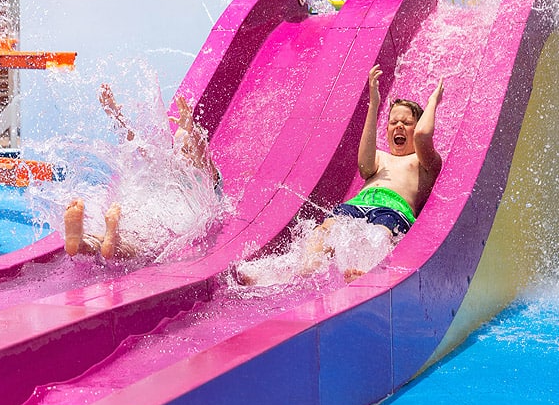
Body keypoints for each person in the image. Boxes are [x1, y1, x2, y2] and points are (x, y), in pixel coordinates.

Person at [236, 64, 444, 285]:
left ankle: (364, 271)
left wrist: (433, 101)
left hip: (392, 210)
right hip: (357, 205)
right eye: (393, 122)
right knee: (323, 231)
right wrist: (374, 105)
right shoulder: (380, 158)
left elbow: (422, 135)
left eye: (407, 123)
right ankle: (293, 270)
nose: (399, 126)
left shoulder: (423, 162)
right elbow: (364, 166)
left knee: (380, 235)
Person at [63, 84, 220, 260]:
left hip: (164, 218)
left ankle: (100, 241)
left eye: (188, 150)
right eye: (180, 149)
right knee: (129, 242)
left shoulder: (205, 176)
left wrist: (192, 131)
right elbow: (136, 144)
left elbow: (203, 158)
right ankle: (82, 242)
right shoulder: (169, 167)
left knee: (130, 242)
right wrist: (116, 115)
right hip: (158, 217)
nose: (183, 155)